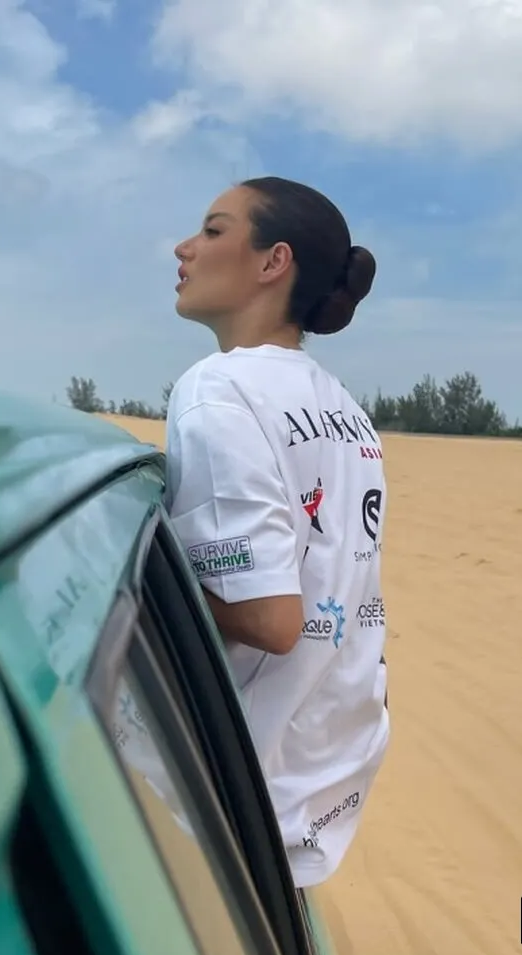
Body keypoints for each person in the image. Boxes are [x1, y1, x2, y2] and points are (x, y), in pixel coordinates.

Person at [164, 176, 390, 890]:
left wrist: (142, 587)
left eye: (213, 230)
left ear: (273, 261)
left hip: (227, 797)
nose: (184, 248)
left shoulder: (219, 389)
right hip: (318, 786)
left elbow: (268, 618)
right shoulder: (344, 408)